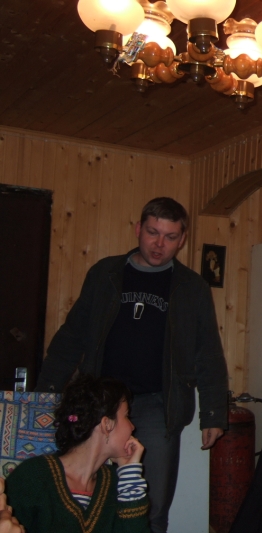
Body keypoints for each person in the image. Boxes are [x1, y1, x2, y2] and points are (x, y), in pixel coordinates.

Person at [35, 197, 229, 533]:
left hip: (157, 407)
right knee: (89, 501)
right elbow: (71, 338)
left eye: (170, 237)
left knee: (150, 507)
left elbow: (208, 354)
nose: (159, 244)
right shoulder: (104, 274)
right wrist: (45, 393)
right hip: (100, 406)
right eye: (153, 233)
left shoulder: (193, 288)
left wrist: (213, 414)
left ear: (182, 239)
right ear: (138, 229)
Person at [6, 375, 150, 533]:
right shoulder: (32, 477)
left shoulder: (117, 484)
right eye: (126, 416)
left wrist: (130, 474)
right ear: (107, 424)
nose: (132, 427)